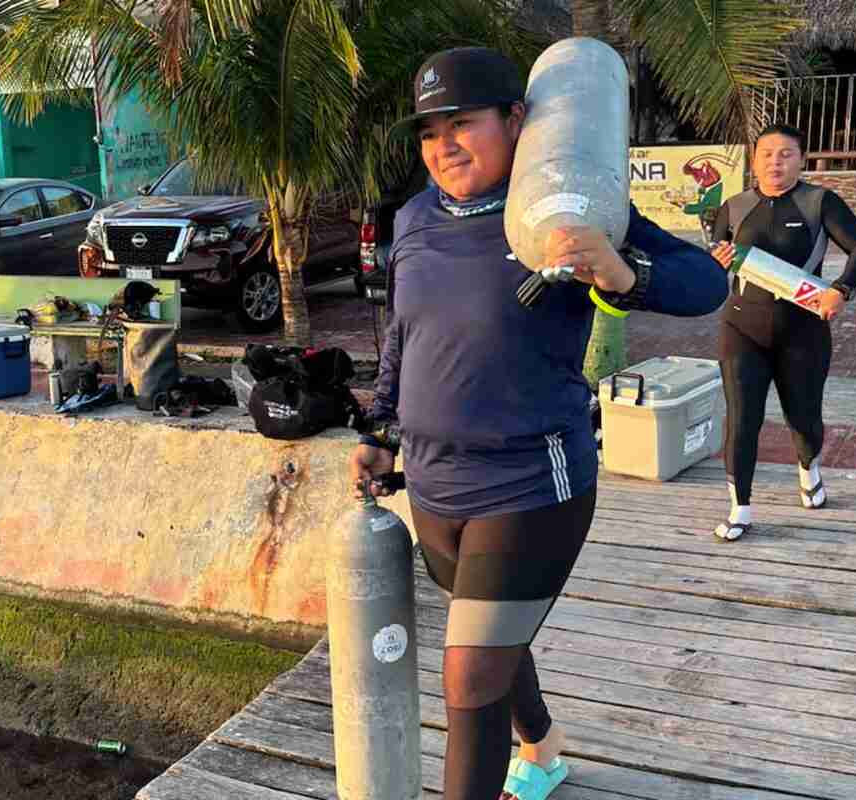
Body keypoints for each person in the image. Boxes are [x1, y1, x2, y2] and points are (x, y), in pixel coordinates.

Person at [346, 48, 728, 800]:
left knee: (471, 677)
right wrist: (381, 430)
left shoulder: (567, 211)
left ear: (516, 122)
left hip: (530, 482)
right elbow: (403, 336)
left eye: (463, 124)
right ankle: (543, 750)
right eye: (429, 133)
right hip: (432, 482)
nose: (444, 145)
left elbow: (706, 282)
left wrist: (626, 274)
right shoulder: (415, 219)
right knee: (485, 639)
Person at [709, 124, 856, 541]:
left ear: (801, 159)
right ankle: (740, 508)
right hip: (741, 327)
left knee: (803, 419)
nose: (775, 162)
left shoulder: (819, 202)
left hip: (802, 330)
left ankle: (808, 467)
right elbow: (716, 260)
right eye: (766, 153)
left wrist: (842, 290)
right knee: (742, 419)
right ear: (754, 160)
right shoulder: (734, 206)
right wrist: (718, 258)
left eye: (786, 154)